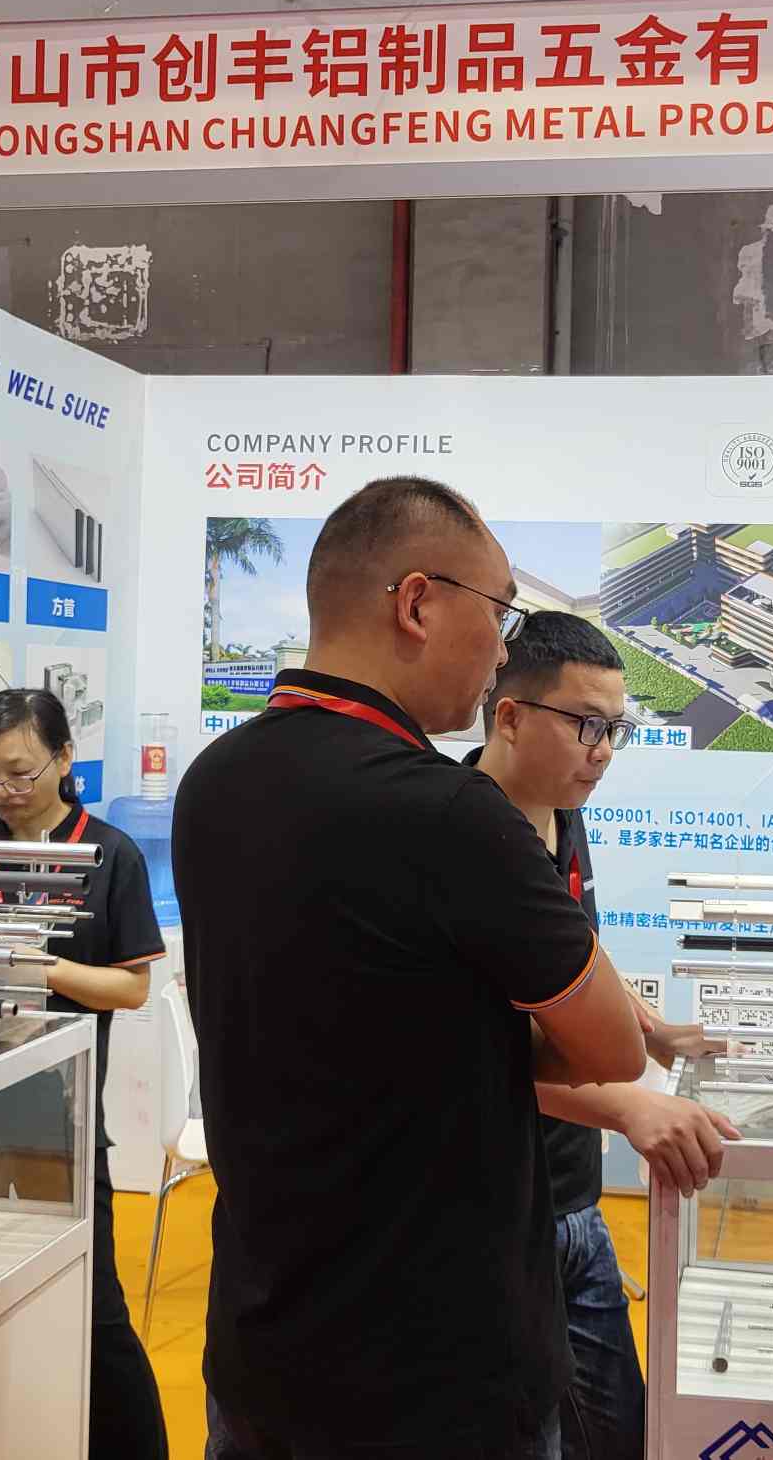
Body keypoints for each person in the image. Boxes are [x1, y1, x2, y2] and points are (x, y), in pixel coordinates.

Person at [177, 477, 648, 1460]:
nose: (502, 651)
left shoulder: (214, 781)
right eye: (499, 613)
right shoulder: (448, 812)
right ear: (420, 603)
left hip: (261, 1341)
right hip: (437, 1372)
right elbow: (611, 1050)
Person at [462, 610, 742, 1460]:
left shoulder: (563, 813)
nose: (604, 750)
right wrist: (625, 1106)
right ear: (510, 716)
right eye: (587, 724)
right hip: (493, 1210)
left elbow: (576, 960)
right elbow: (472, 1051)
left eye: (616, 728)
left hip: (573, 1196)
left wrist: (649, 1032)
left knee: (620, 1433)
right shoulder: (459, 840)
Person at [0, 688, 169, 1460]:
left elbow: (131, 987)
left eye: (21, 771)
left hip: (63, 1115)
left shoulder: (108, 854)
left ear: (65, 758)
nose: (3, 790)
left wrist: (41, 968)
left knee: (95, 1309)